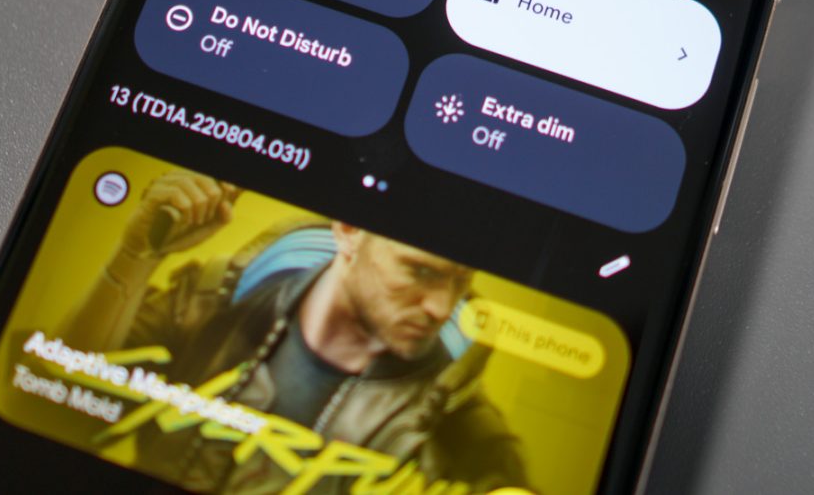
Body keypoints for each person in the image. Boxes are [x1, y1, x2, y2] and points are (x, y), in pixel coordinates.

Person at [62, 171, 528, 494]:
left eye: (461, 281)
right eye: (420, 272)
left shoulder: (448, 405)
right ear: (349, 232)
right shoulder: (212, 300)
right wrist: (136, 255)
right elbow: (57, 394)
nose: (441, 307)